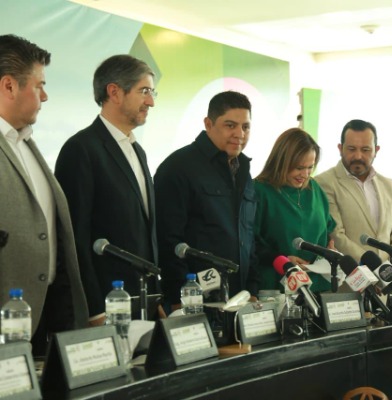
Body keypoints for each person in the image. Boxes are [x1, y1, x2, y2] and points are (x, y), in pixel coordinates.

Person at [0, 34, 88, 354]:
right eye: (39, 86)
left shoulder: (25, 143)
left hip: (45, 316)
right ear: (9, 86)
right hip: (7, 322)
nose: (45, 96)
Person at [55, 55, 158, 325]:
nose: (151, 101)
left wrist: (156, 296)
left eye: (152, 92)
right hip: (105, 306)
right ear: (114, 92)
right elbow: (74, 238)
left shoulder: (138, 151)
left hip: (143, 301)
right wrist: (94, 309)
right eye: (144, 91)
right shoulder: (81, 149)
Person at [154, 91, 259, 310]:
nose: (240, 134)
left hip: (240, 297)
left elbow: (249, 236)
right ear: (208, 124)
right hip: (195, 299)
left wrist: (252, 290)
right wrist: (178, 298)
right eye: (230, 125)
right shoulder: (178, 167)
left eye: (246, 127)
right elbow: (167, 240)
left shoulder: (243, 169)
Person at [314, 119, 392, 280]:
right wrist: (376, 270)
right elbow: (336, 236)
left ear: (376, 150)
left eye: (365, 150)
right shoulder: (324, 183)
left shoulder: (389, 185)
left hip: (391, 283)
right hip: (351, 283)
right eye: (351, 149)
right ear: (340, 148)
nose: (358, 156)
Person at [254, 128, 336, 293]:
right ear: (281, 162)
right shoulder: (259, 190)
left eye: (310, 167)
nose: (305, 174)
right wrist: (282, 260)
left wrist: (330, 246)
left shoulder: (314, 188)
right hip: (278, 286)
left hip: (317, 285)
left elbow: (327, 229)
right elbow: (251, 243)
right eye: (299, 168)